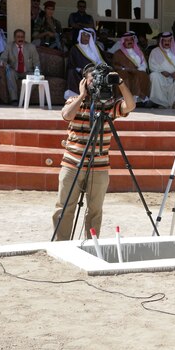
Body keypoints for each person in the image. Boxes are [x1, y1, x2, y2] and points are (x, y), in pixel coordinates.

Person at [52, 65, 135, 241]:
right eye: (92, 80)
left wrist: (119, 82)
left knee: (95, 209)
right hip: (72, 163)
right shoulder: (74, 100)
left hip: (100, 165)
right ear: (84, 81)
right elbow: (66, 115)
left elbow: (130, 105)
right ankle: (61, 243)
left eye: (99, 80)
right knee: (64, 206)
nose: (95, 84)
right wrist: (82, 95)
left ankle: (92, 244)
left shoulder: (110, 106)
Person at [0, 29, 40, 105]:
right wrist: (5, 64)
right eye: (18, 37)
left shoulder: (31, 47)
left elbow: (37, 62)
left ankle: (25, 98)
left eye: (22, 37)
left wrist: (38, 73)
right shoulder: (9, 46)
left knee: (36, 77)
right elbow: (1, 59)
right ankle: (14, 99)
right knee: (9, 73)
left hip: (28, 71)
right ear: (14, 38)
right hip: (14, 71)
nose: (20, 39)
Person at [112, 32, 152, 106]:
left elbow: (144, 65)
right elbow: (115, 66)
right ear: (123, 42)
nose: (129, 41)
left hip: (137, 71)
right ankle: (126, 99)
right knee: (123, 75)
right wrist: (125, 68)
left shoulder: (139, 52)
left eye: (131, 40)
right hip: (124, 71)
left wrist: (137, 70)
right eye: (127, 40)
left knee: (142, 75)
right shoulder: (118, 53)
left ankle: (140, 99)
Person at [148, 32, 175, 109]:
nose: (167, 43)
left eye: (169, 41)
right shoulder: (155, 51)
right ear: (161, 41)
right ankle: (160, 102)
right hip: (162, 75)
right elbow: (152, 65)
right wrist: (161, 71)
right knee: (153, 76)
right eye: (165, 41)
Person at [66, 29, 106, 98]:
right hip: (80, 72)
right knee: (71, 72)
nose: (86, 38)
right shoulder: (75, 48)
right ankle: (75, 97)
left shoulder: (96, 48)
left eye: (88, 36)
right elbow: (71, 64)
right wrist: (80, 70)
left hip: (95, 70)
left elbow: (101, 60)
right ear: (80, 36)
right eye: (84, 35)